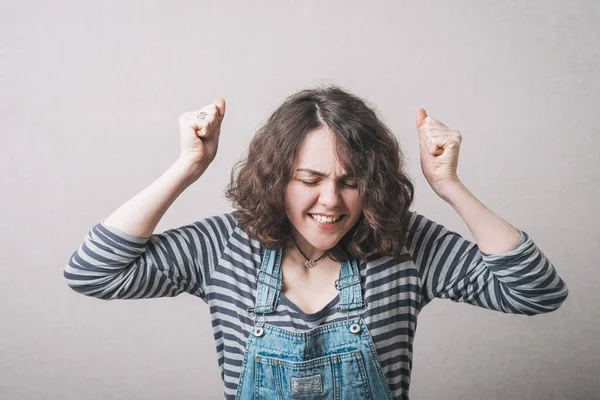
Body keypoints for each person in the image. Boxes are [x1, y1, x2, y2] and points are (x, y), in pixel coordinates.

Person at [63, 85, 569, 400]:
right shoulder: (225, 247)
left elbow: (536, 292)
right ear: (275, 177)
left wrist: (449, 186)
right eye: (309, 178)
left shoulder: (403, 244)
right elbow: (92, 273)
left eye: (351, 181)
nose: (331, 200)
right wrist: (187, 167)